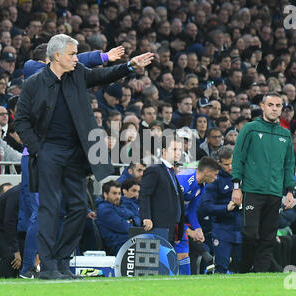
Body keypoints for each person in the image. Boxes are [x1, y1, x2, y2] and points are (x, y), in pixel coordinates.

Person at [14, 34, 153, 280]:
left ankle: (62, 262)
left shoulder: (77, 74)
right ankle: (47, 268)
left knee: (79, 208)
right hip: (49, 152)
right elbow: (22, 121)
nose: (76, 59)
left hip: (77, 154)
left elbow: (103, 75)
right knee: (49, 209)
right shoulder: (34, 83)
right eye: (72, 54)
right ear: (57, 56)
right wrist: (38, 149)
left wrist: (130, 65)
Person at [231, 92, 295, 273]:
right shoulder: (250, 129)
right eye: (271, 105)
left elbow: (289, 165)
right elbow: (238, 159)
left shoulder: (285, 135)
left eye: (278, 106)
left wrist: (289, 191)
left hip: (275, 193)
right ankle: (243, 270)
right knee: (250, 234)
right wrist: (237, 187)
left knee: (268, 237)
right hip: (252, 191)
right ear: (262, 106)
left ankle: (260, 273)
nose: (275, 109)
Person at [198, 146, 242, 273]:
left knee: (240, 267)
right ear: (219, 163)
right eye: (226, 164)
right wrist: (226, 208)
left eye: (232, 163)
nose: (230, 167)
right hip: (222, 229)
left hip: (240, 228)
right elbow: (206, 207)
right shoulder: (214, 180)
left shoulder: (242, 177)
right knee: (221, 267)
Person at [175, 156, 220, 275]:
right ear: (206, 172)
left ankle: (184, 286)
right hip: (167, 220)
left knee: (183, 255)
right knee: (179, 255)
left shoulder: (202, 186)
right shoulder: (186, 179)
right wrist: (188, 231)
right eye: (215, 175)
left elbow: (192, 210)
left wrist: (198, 229)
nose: (216, 178)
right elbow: (171, 208)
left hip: (178, 221)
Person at [139, 135, 185, 244]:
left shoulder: (171, 171)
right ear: (164, 151)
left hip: (172, 227)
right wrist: (146, 217)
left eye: (180, 149)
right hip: (158, 226)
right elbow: (144, 194)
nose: (178, 152)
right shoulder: (154, 169)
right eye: (174, 149)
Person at [96, 180, 141, 255]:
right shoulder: (104, 209)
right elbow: (125, 227)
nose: (118, 197)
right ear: (105, 194)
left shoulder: (120, 206)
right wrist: (130, 221)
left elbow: (137, 219)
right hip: (117, 245)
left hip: (127, 241)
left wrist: (131, 221)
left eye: (119, 193)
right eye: (114, 193)